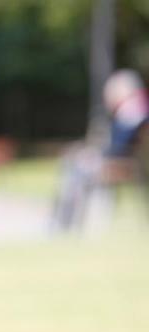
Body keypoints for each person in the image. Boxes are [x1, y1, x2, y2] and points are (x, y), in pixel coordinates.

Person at [52, 69, 149, 231]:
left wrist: (93, 154)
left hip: (118, 166)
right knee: (75, 164)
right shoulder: (140, 108)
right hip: (125, 163)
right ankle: (64, 221)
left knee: (75, 169)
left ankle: (64, 222)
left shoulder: (131, 111)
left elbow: (118, 148)